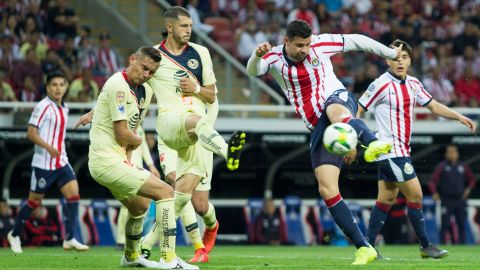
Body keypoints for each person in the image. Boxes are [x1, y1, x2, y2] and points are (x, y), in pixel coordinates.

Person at [247, 19, 400, 265]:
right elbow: (253, 71)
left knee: (336, 113)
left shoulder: (321, 44)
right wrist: (256, 56)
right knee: (327, 188)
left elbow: (357, 40)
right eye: (299, 45)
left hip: (337, 99)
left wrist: (390, 53)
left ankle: (371, 142)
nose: (305, 50)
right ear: (286, 41)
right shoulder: (274, 58)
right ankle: (364, 247)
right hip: (317, 125)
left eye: (307, 44)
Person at [142, 6, 244, 263]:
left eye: (190, 25)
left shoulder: (201, 53)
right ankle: (227, 148)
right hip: (170, 130)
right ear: (170, 27)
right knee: (176, 186)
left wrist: (196, 87)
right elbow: (136, 87)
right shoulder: (155, 56)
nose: (189, 30)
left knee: (197, 204)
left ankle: (208, 227)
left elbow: (211, 95)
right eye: (184, 26)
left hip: (198, 133)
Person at [359, 40, 476, 259]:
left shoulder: (413, 83)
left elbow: (433, 106)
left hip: (401, 152)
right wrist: (356, 137)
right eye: (395, 57)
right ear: (387, 60)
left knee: (385, 199)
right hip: (389, 152)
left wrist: (460, 116)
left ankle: (367, 246)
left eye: (404, 57)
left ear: (411, 60)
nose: (400, 61)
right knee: (416, 194)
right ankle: (425, 245)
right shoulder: (380, 84)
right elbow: (357, 109)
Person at [87, 46, 197, 269]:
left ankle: (130, 256)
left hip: (116, 161)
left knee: (139, 207)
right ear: (132, 59)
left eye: (151, 72)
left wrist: (128, 156)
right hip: (105, 161)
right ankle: (169, 259)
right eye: (144, 68)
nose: (146, 75)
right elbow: (123, 133)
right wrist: (138, 141)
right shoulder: (118, 84)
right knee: (166, 191)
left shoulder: (145, 92)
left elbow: (133, 127)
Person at [7, 71, 89, 254]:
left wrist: (58, 151)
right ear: (47, 87)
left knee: (74, 195)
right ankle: (15, 234)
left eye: (61, 84)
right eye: (54, 84)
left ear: (66, 87)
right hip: (43, 163)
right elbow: (30, 132)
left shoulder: (64, 107)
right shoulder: (42, 106)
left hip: (61, 161)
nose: (58, 88)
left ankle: (69, 238)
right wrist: (48, 147)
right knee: (34, 202)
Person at [115, 127, 160, 249]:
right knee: (127, 205)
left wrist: (151, 166)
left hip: (138, 170)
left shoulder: (139, 124)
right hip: (125, 168)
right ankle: (121, 240)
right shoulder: (121, 122)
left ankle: (133, 238)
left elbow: (143, 147)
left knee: (140, 206)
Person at [429, 144, 477, 244]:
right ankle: (443, 245)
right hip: (446, 200)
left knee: (461, 225)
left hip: (460, 200)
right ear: (446, 154)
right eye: (449, 152)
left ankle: (462, 247)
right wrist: (434, 193)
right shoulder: (442, 166)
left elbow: (472, 179)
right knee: (445, 225)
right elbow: (432, 181)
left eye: (453, 152)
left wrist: (468, 189)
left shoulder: (463, 166)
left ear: (457, 154)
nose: (451, 154)